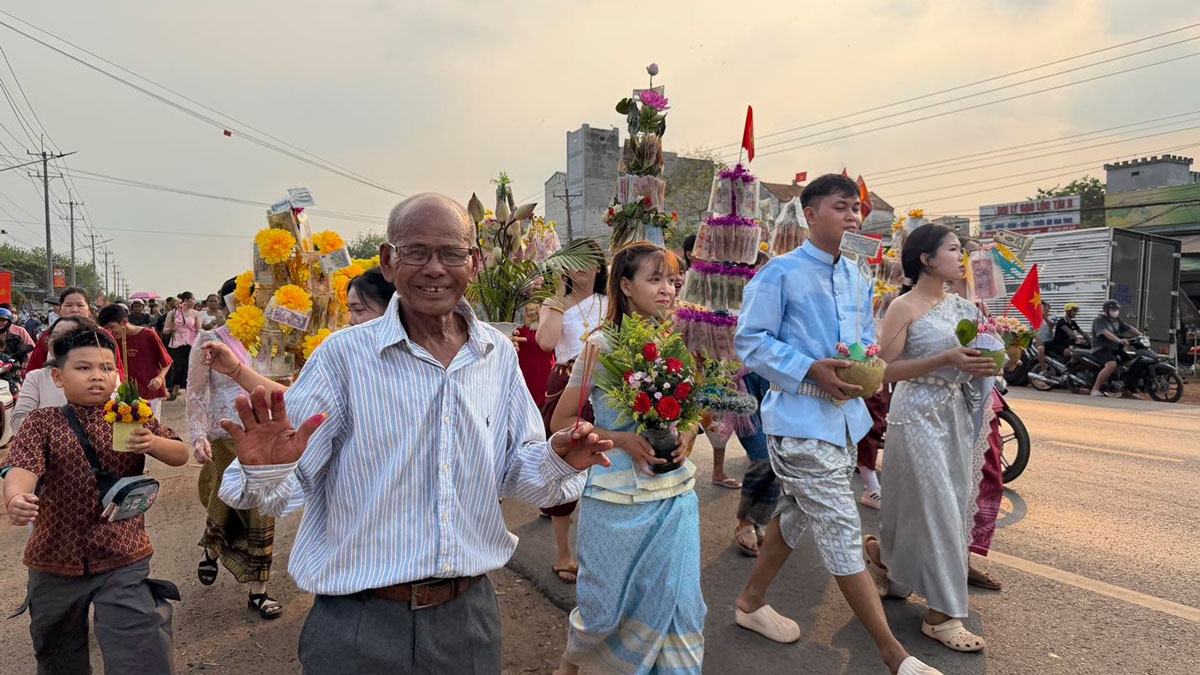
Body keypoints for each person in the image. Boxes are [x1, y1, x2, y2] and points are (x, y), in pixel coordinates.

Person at [216, 193, 612, 673]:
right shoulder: (343, 358)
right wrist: (269, 467)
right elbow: (279, 492)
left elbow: (516, 471)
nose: (434, 269)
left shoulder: (496, 356)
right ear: (388, 262)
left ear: (474, 261)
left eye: (450, 254)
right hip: (359, 623)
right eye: (417, 252)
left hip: (467, 621)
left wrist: (557, 460)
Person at [733, 174, 941, 675]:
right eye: (840, 206)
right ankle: (895, 655)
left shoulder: (856, 275)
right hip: (799, 422)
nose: (852, 216)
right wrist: (809, 368)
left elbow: (865, 341)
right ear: (810, 213)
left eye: (857, 209)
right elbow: (750, 341)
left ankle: (750, 602)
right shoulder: (779, 273)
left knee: (799, 513)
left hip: (846, 420)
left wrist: (868, 366)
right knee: (844, 530)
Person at [548, 241, 702, 675]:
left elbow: (696, 411)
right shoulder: (600, 345)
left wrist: (686, 436)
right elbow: (563, 421)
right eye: (655, 279)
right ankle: (571, 666)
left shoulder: (679, 339)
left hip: (674, 496)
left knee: (680, 605)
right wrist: (621, 440)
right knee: (603, 607)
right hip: (614, 497)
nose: (668, 290)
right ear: (626, 286)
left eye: (672, 280)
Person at [2, 326, 189, 673]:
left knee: (141, 647)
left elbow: (180, 454)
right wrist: (16, 497)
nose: (97, 377)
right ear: (58, 376)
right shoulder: (43, 422)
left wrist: (152, 443)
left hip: (123, 554)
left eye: (106, 368)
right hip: (54, 559)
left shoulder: (132, 412)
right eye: (83, 368)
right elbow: (21, 466)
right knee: (58, 656)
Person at [871, 223, 997, 654]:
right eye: (952, 249)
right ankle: (943, 614)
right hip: (915, 414)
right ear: (925, 258)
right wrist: (943, 358)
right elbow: (883, 371)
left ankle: (887, 562)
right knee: (937, 506)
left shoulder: (963, 306)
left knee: (925, 503)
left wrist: (989, 362)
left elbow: (972, 358)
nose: (960, 256)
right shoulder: (902, 306)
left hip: (954, 414)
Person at [187, 277, 283, 620]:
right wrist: (198, 436)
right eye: (248, 298)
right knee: (225, 500)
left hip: (267, 438)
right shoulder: (210, 340)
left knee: (262, 509)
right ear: (232, 302)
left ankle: (259, 590)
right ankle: (213, 547)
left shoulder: (277, 340)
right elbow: (196, 391)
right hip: (225, 435)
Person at [535, 239, 608, 584]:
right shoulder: (554, 302)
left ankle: (598, 549)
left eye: (586, 262)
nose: (579, 269)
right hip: (565, 380)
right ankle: (563, 551)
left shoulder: (611, 303)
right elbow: (547, 343)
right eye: (572, 262)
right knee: (564, 465)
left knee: (602, 465)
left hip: (605, 385)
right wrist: (559, 298)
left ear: (599, 266)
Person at [11, 316, 92, 433]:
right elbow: (18, 423)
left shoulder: (100, 376)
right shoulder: (37, 377)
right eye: (54, 336)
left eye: (69, 336)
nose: (59, 341)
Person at [25, 287, 124, 377]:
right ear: (60, 309)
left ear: (89, 309)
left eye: (80, 305)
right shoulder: (49, 334)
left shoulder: (102, 335)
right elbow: (34, 368)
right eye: (68, 305)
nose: (74, 310)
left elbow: (117, 370)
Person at [98, 304, 173, 419]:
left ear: (124, 321)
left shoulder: (148, 335)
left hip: (150, 391)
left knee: (151, 429)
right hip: (124, 396)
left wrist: (160, 378)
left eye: (111, 327)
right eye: (105, 328)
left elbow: (167, 362)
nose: (109, 331)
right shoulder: (110, 341)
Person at [1090, 299, 1141, 397]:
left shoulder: (1117, 320)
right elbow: (1105, 332)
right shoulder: (1099, 320)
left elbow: (1129, 328)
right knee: (1111, 365)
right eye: (1113, 309)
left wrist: (1141, 335)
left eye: (1117, 309)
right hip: (1101, 349)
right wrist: (1118, 340)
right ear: (1106, 310)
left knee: (1131, 364)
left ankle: (1127, 390)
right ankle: (1095, 389)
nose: (1116, 311)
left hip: (1114, 348)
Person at [166, 292, 200, 401]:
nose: (195, 301)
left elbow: (199, 329)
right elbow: (165, 330)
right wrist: (172, 328)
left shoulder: (195, 313)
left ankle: (188, 392)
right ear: (186, 300)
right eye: (193, 299)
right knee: (177, 368)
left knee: (189, 367)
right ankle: (175, 387)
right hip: (177, 344)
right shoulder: (172, 313)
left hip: (191, 344)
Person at [1036, 301, 1054, 366]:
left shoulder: (1052, 317)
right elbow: (1032, 330)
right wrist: (1038, 341)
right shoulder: (1035, 317)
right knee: (1041, 349)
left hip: (1050, 341)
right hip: (1040, 342)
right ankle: (1043, 367)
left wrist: (1044, 317)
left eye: (1045, 306)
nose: (1043, 308)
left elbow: (1051, 326)